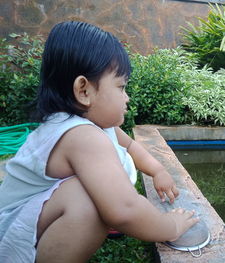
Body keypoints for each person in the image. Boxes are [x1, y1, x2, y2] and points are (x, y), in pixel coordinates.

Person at [0, 21, 199, 263]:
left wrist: (157, 170)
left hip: (30, 223)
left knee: (102, 195)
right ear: (84, 91)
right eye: (121, 87)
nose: (126, 98)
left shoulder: (100, 128)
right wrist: (170, 226)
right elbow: (125, 209)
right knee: (90, 201)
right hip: (10, 236)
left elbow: (132, 147)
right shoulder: (80, 136)